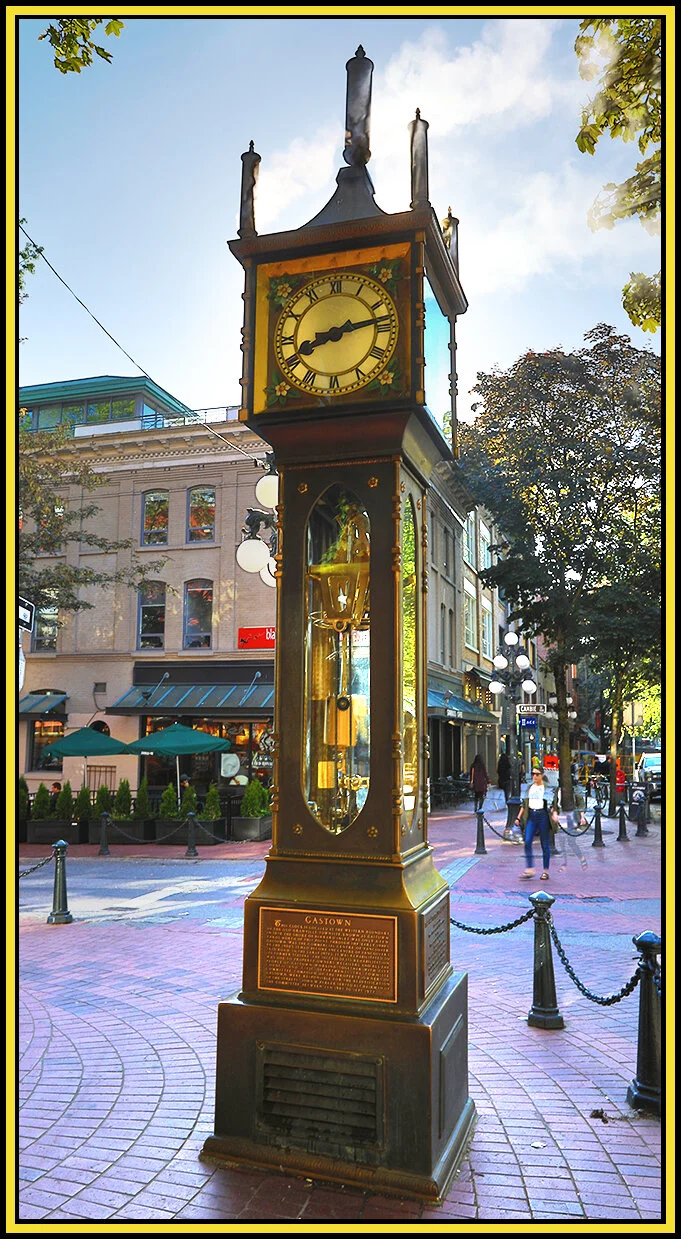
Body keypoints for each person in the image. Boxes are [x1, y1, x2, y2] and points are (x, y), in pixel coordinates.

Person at [514, 766, 560, 881]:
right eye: (533, 774)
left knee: (544, 844)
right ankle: (530, 868)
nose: (534, 776)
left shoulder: (548, 788)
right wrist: (518, 818)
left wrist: (554, 814)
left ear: (542, 775)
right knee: (527, 840)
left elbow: (552, 805)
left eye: (537, 774)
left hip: (543, 815)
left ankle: (545, 871)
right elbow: (524, 804)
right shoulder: (530, 787)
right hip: (532, 816)